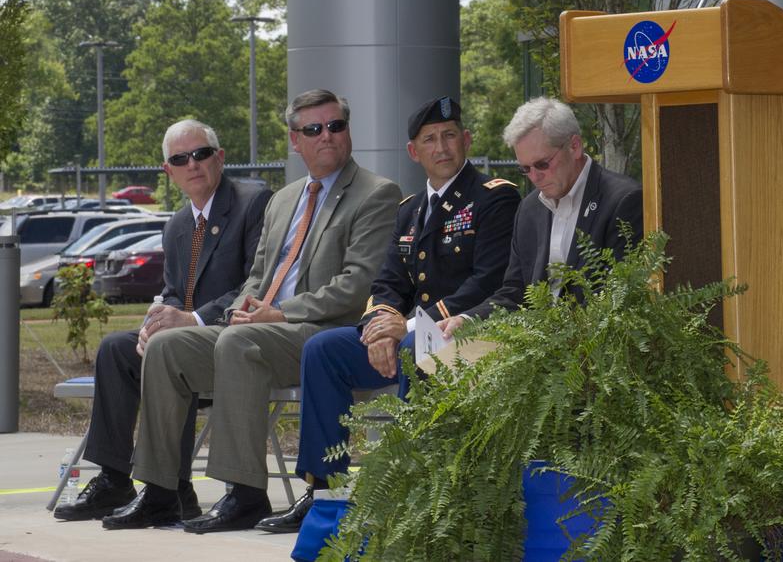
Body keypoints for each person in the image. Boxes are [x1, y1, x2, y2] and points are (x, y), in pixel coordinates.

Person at [103, 89, 401, 532]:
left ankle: (244, 494)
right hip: (261, 328)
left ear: (348, 131)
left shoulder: (377, 194)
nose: (327, 136)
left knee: (240, 342)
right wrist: (242, 310)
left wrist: (278, 314)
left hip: (320, 332)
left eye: (336, 126)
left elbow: (356, 286)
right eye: (313, 129)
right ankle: (162, 493)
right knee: (166, 347)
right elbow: (257, 278)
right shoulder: (284, 199)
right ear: (295, 140)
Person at [256, 96, 519, 534]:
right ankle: (325, 495)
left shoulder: (494, 199)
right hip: (406, 335)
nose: (442, 147)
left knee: (420, 346)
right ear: (414, 152)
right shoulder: (409, 209)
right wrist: (379, 329)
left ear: (467, 140)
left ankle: (410, 493)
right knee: (323, 350)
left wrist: (409, 326)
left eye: (450, 135)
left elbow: (489, 281)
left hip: (467, 334)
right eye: (430, 139)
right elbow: (387, 283)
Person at [53, 120, 270, 522]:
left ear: (220, 157)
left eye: (201, 154)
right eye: (179, 159)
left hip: (232, 340)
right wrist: (156, 322)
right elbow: (174, 291)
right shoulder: (176, 225)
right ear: (167, 171)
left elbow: (254, 284)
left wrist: (190, 320)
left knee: (172, 349)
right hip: (188, 344)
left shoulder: (252, 202)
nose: (193, 164)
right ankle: (116, 479)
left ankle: (171, 488)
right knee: (118, 348)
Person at [440, 96, 643, 334]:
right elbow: (515, 292)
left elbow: (620, 301)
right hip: (536, 352)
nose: (534, 177)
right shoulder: (529, 209)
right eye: (524, 169)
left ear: (574, 146)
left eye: (542, 164)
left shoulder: (623, 200)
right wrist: (469, 319)